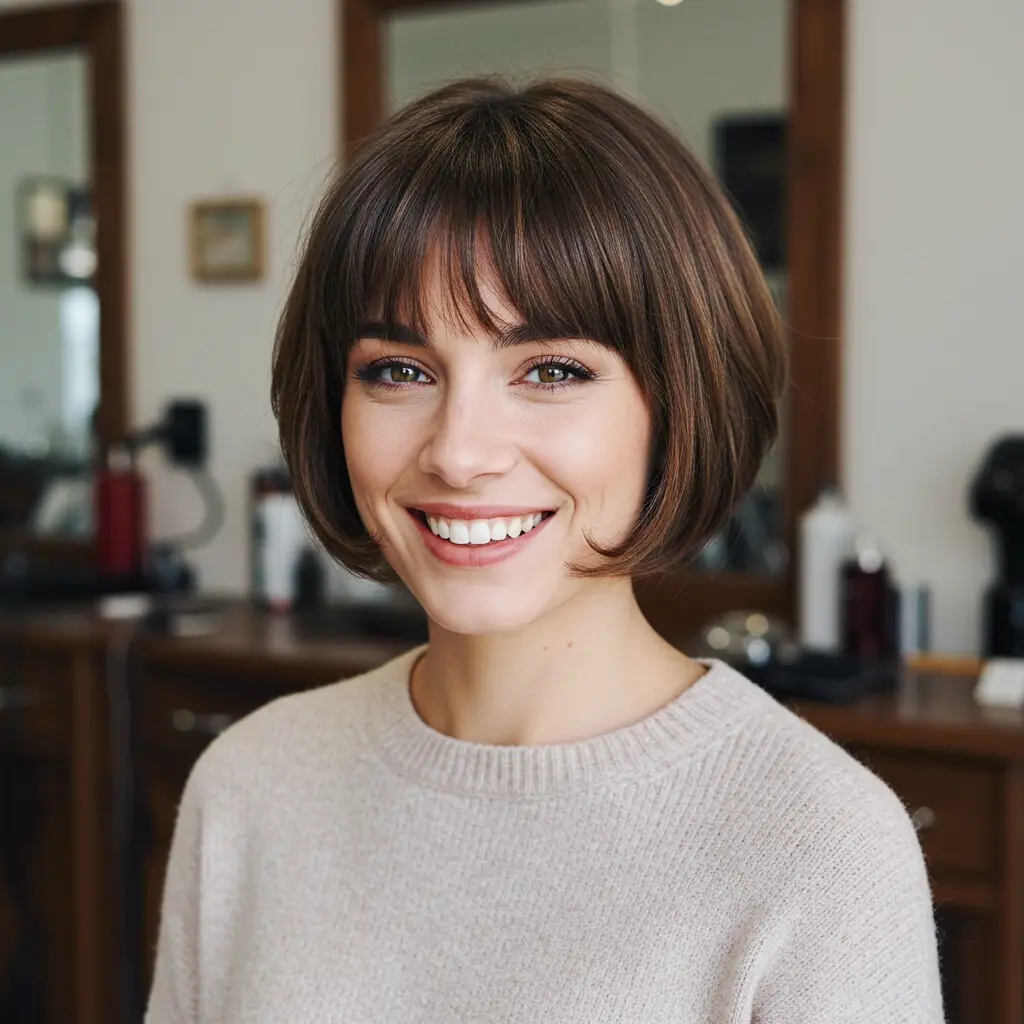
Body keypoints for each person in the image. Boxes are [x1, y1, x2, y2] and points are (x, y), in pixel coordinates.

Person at [145, 77, 944, 1023]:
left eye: (553, 370)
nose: (460, 451)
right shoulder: (251, 786)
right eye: (399, 371)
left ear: (677, 405)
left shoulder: (818, 845)